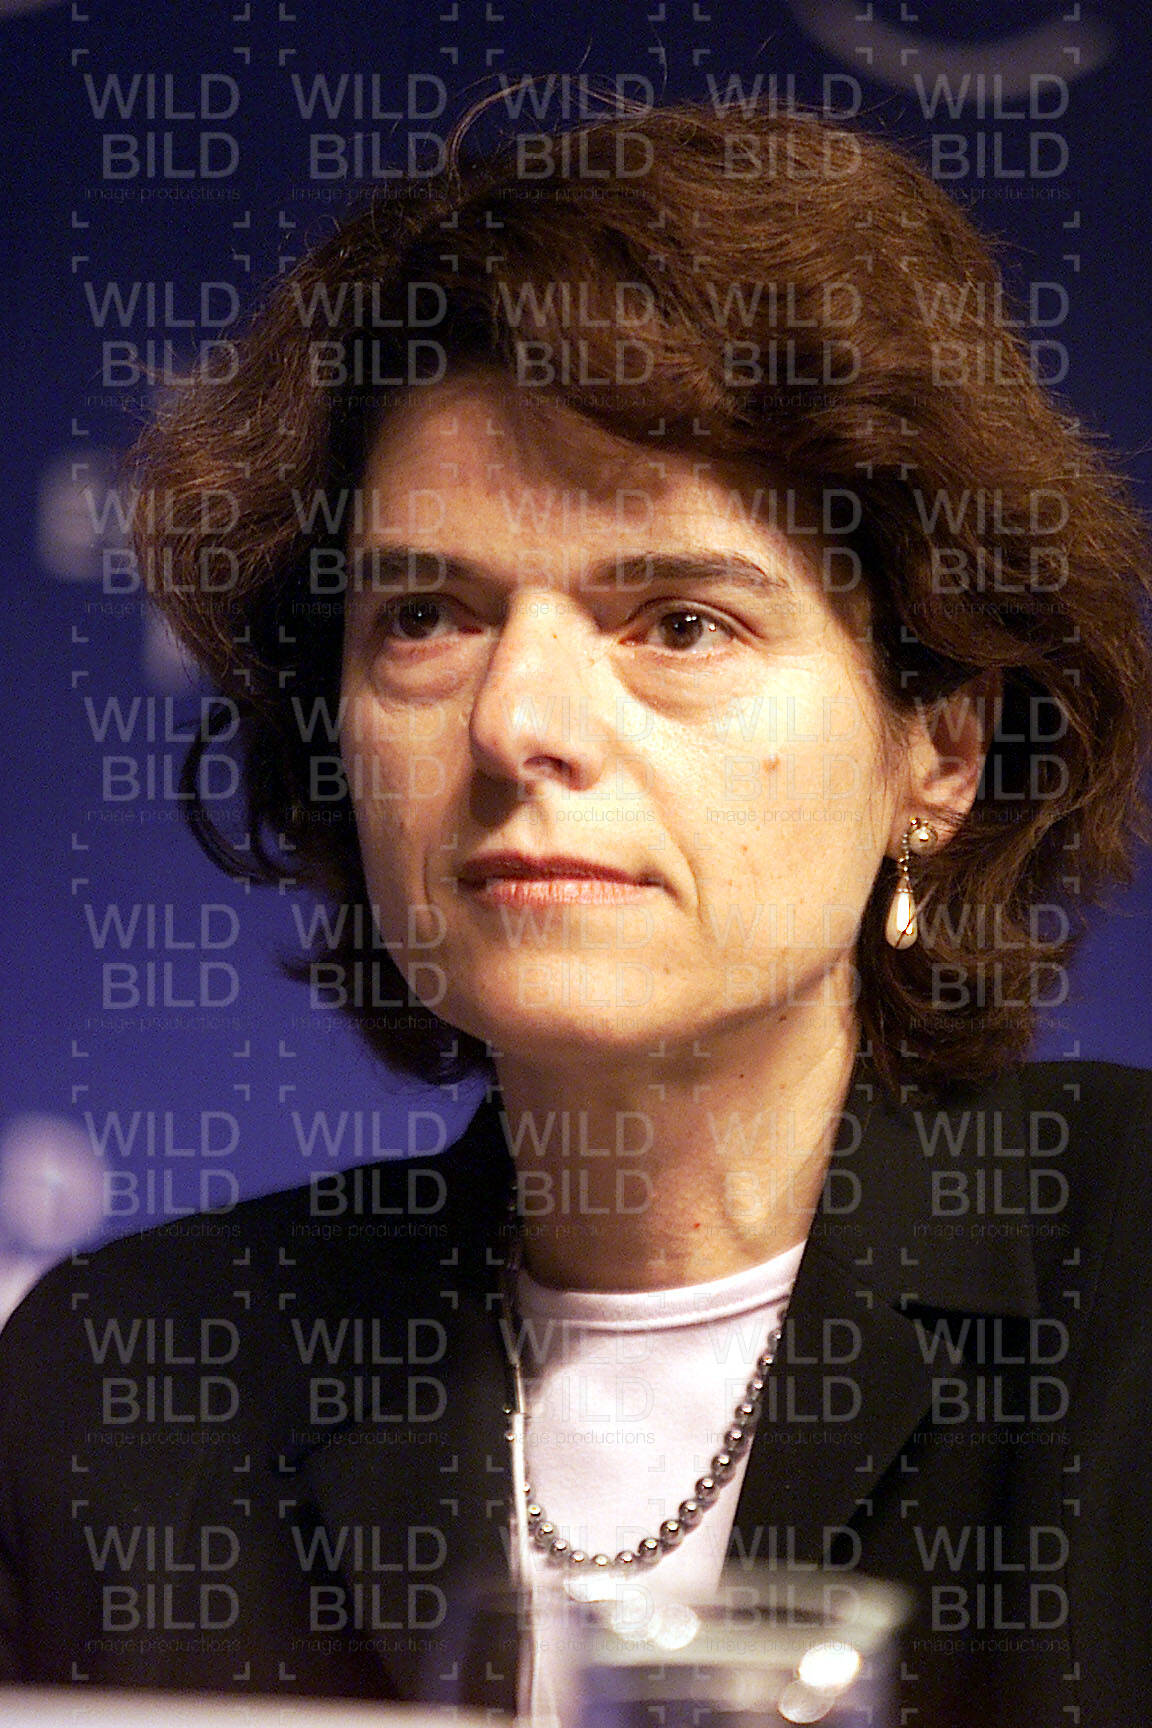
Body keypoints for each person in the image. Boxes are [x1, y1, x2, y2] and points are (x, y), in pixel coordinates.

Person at [1, 100, 1150, 1727]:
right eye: (427, 614)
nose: (516, 721)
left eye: (677, 621)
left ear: (942, 749)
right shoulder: (120, 1382)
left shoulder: (1127, 1282)